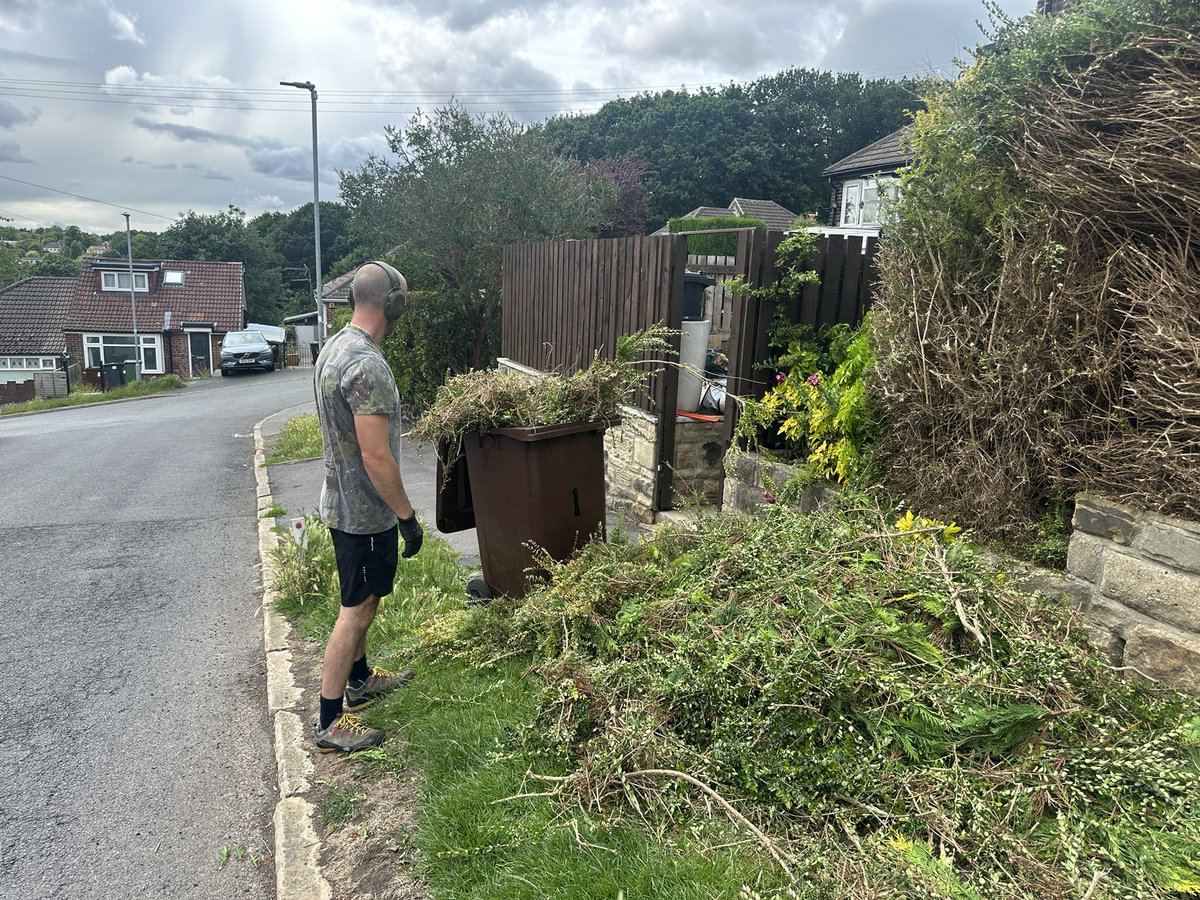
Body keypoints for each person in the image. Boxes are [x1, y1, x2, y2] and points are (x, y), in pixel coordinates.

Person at [311, 260, 424, 753]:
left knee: (365, 600)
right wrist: (406, 517)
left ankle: (359, 678)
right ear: (393, 304)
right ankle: (331, 718)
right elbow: (376, 456)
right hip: (364, 513)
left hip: (339, 502)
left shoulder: (335, 347)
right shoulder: (367, 365)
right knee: (355, 611)